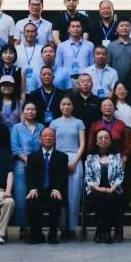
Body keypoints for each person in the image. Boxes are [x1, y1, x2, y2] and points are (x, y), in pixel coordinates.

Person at [49, 96, 85, 239]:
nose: (66, 106)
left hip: (75, 158)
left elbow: (82, 144)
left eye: (69, 104)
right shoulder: (54, 123)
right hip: (58, 158)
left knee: (74, 194)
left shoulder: (78, 122)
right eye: (63, 104)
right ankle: (62, 226)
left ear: (72, 106)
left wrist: (75, 161)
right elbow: (50, 142)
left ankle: (71, 228)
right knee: (59, 192)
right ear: (59, 106)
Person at [24, 128, 68, 244]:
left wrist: (57, 189)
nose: (48, 138)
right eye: (45, 136)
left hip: (54, 190)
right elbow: (29, 176)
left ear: (55, 139)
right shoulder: (32, 157)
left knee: (56, 200)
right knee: (31, 201)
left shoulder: (62, 156)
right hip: (38, 190)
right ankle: (36, 234)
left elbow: (63, 176)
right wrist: (32, 189)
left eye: (51, 136)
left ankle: (52, 234)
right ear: (40, 139)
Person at [85, 129, 125, 243]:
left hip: (113, 188)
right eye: (100, 138)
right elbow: (88, 176)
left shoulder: (117, 156)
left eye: (106, 137)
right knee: (99, 197)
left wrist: (113, 187)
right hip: (95, 188)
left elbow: (120, 174)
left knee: (110, 197)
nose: (103, 140)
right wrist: (98, 188)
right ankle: (99, 230)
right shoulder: (90, 157)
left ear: (110, 141)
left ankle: (106, 231)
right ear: (96, 141)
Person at [10, 102, 45, 231]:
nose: (30, 111)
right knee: (21, 196)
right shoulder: (16, 128)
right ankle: (23, 227)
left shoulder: (41, 127)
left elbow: (44, 145)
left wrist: (35, 161)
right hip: (21, 164)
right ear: (23, 112)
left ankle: (35, 226)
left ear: (36, 112)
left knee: (36, 196)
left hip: (39, 164)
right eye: (27, 109)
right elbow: (15, 147)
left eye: (33, 109)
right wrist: (27, 160)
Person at [108, 18, 131, 82]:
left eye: (127, 26)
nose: (124, 28)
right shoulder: (111, 46)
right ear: (117, 29)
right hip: (115, 82)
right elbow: (108, 65)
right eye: (122, 26)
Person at [15, 22, 44, 92]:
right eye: (27, 31)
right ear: (23, 33)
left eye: (32, 31)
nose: (30, 34)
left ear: (36, 34)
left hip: (38, 87)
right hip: (20, 87)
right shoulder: (16, 49)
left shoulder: (42, 49)